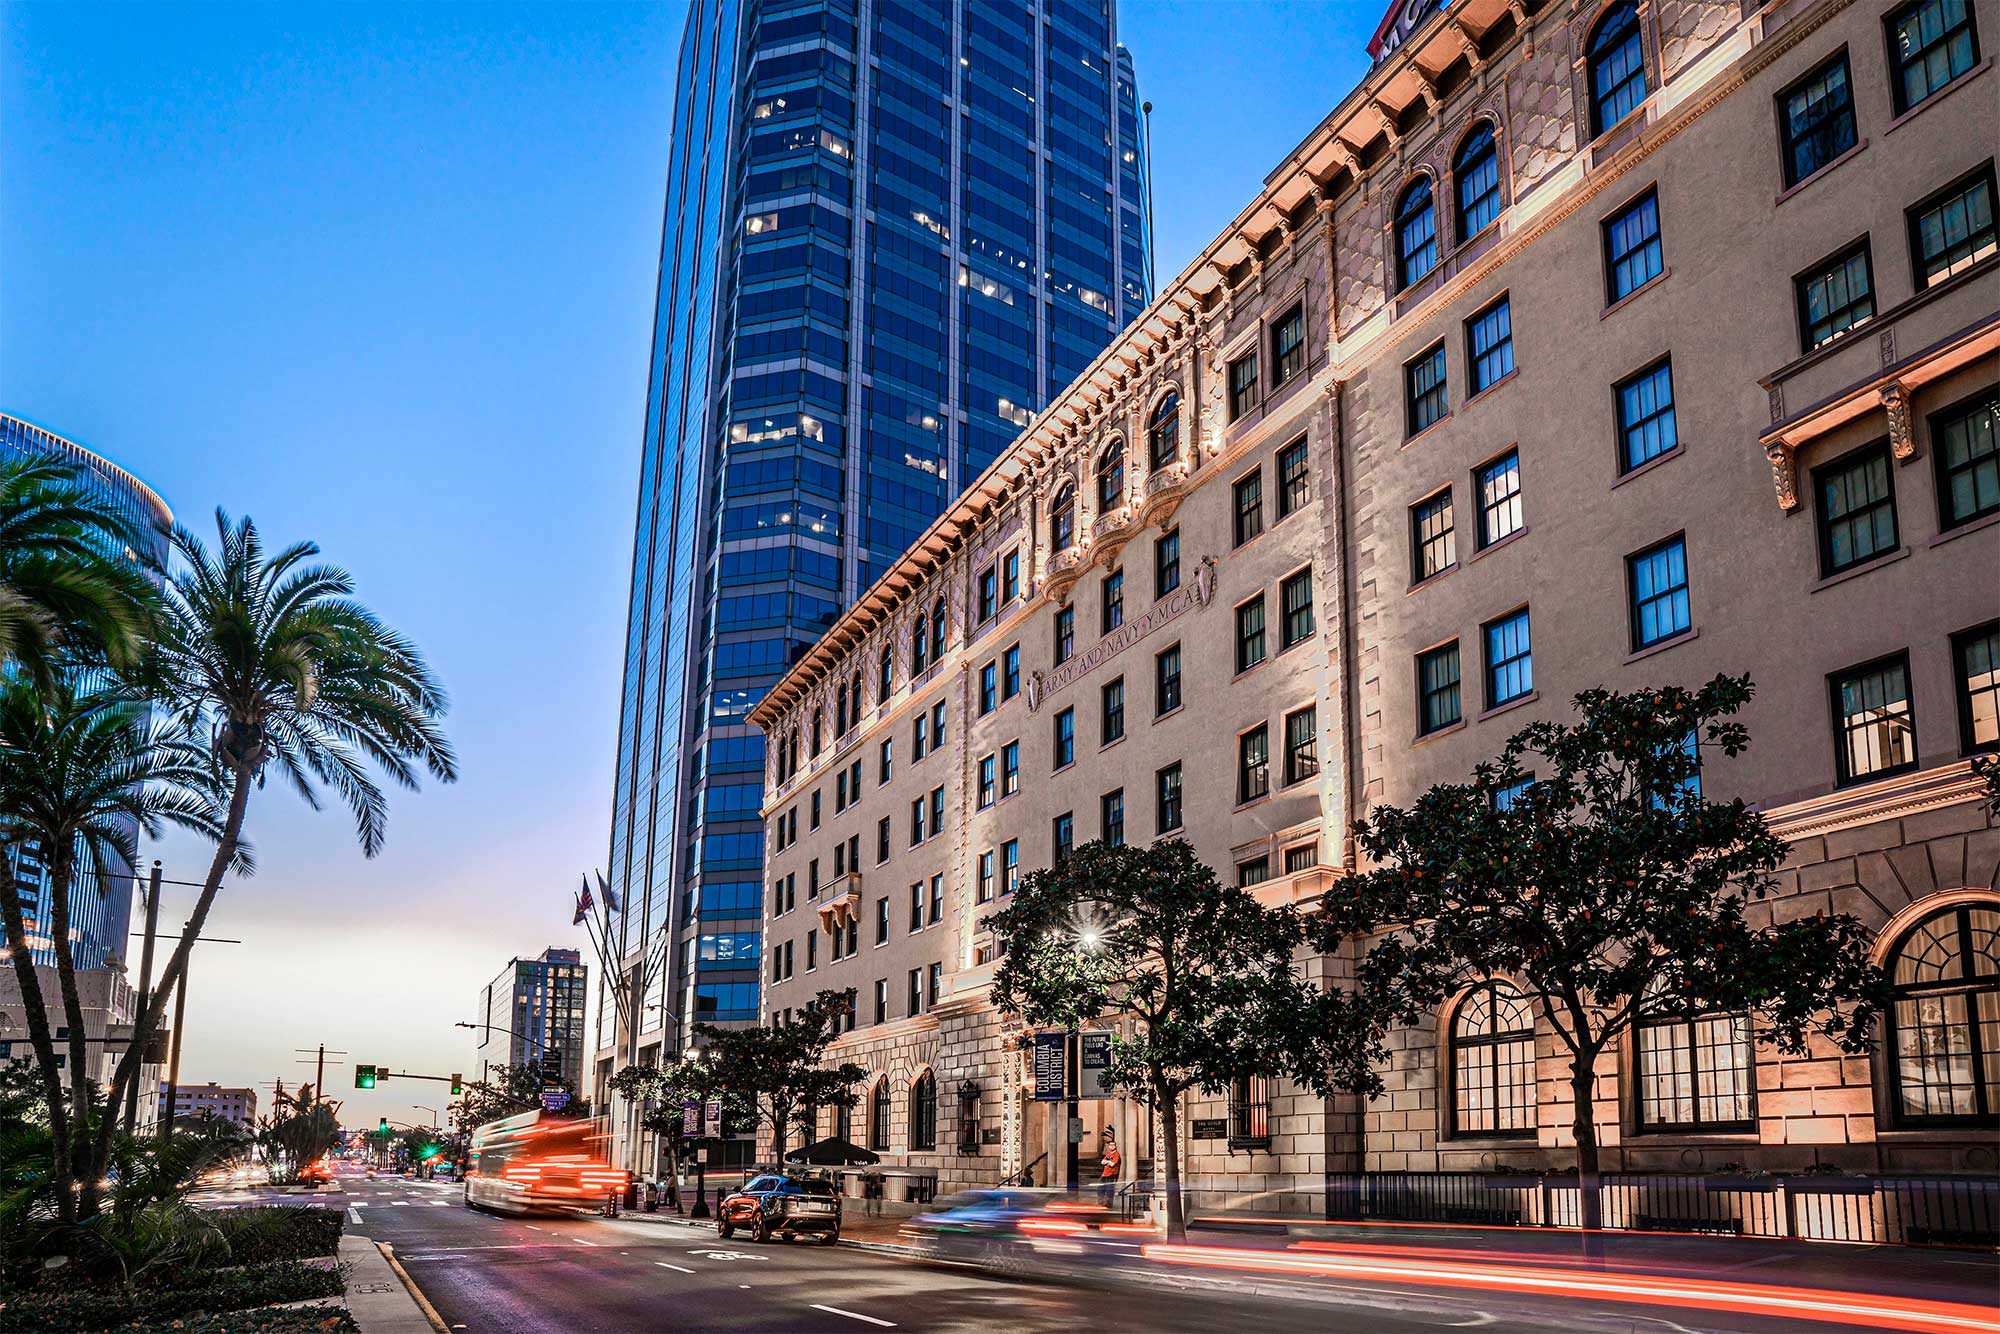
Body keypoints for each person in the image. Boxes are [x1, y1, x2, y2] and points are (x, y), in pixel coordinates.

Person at [1097, 1128, 1121, 1206]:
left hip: (1111, 1174)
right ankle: (1101, 1203)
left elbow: (1113, 1164)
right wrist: (1108, 1162)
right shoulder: (1108, 1154)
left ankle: (1108, 1204)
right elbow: (1102, 1162)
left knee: (1109, 1190)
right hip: (1104, 1174)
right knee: (1100, 1189)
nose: (1111, 1146)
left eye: (1113, 1145)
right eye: (1110, 1145)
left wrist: (1107, 1162)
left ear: (1115, 1146)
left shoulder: (1116, 1154)